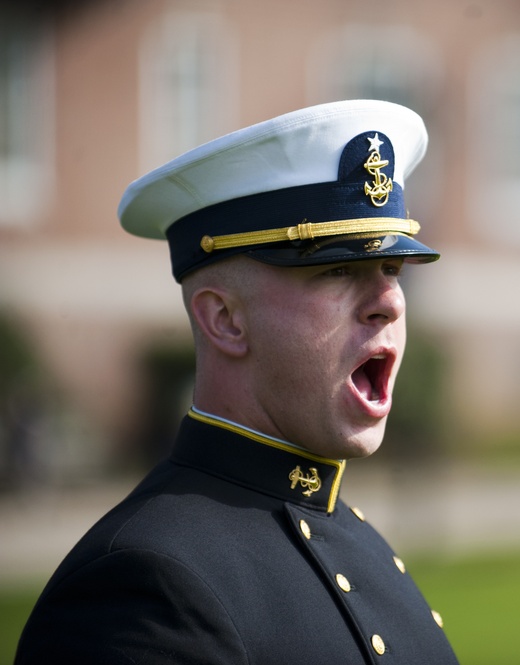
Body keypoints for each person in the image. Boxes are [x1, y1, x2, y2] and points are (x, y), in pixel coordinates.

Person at [16, 100, 460, 664]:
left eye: (391, 269)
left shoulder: (359, 541)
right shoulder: (142, 588)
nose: (388, 303)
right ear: (224, 319)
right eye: (337, 269)